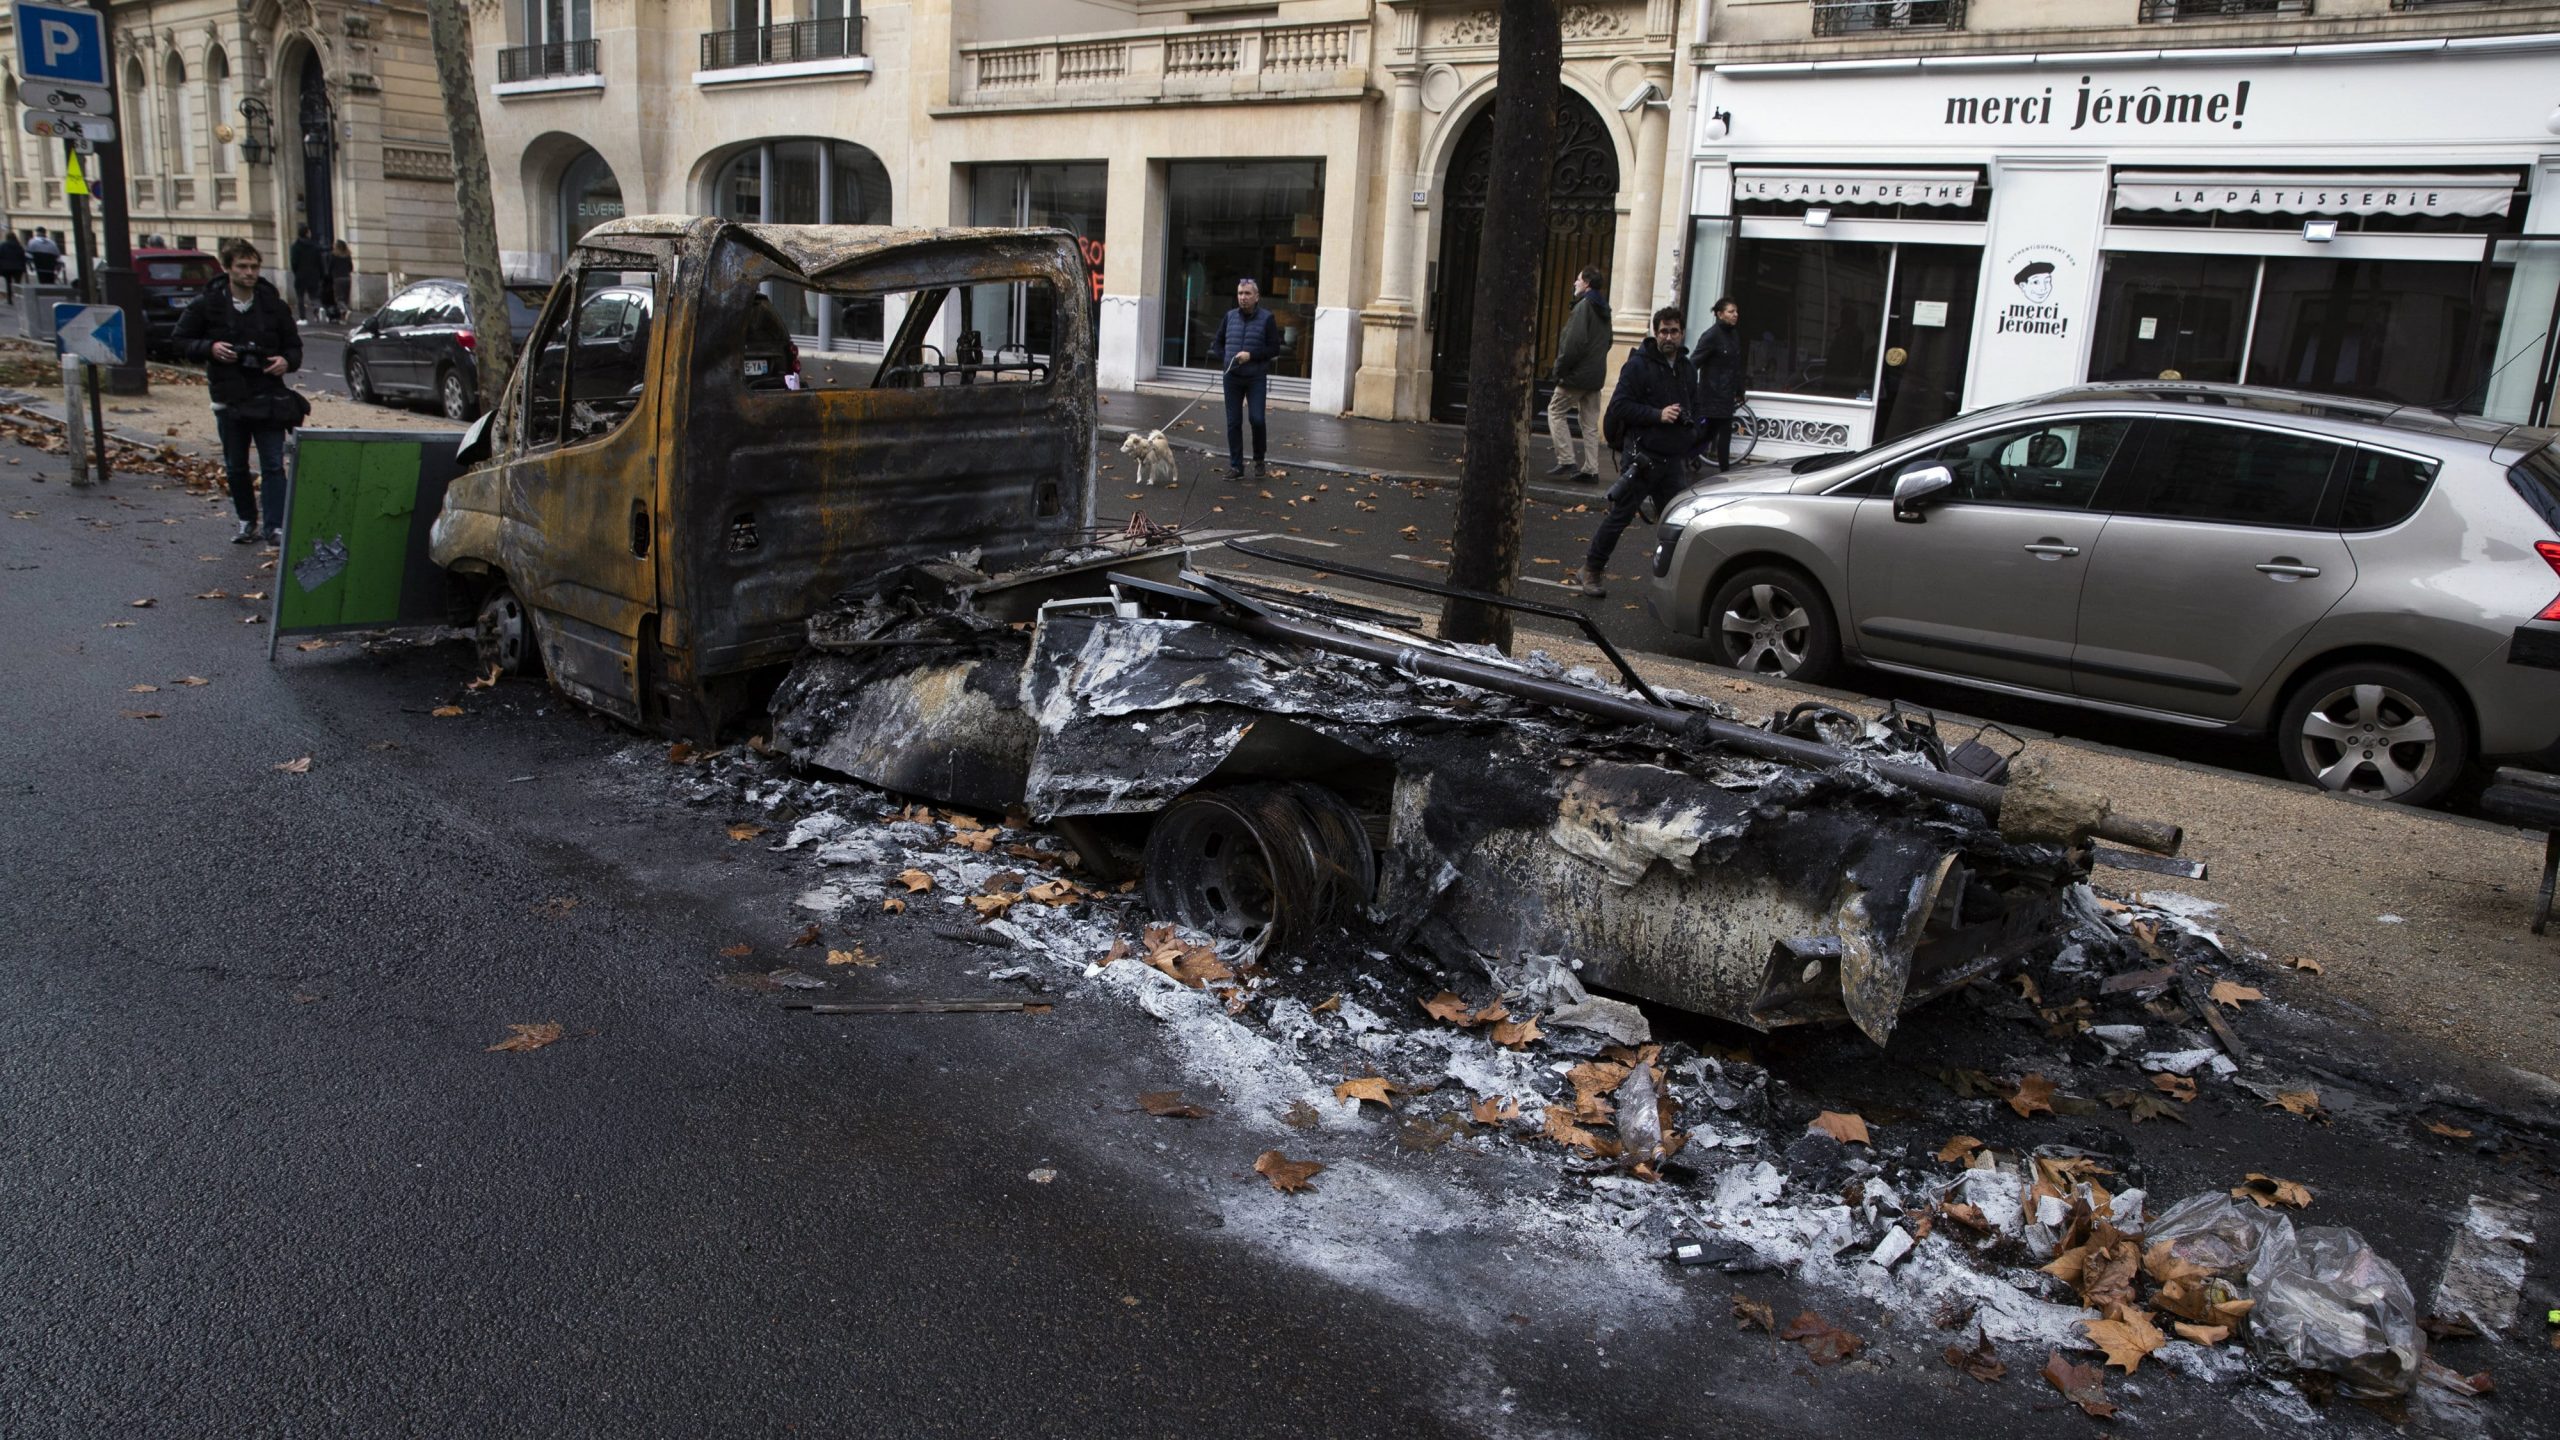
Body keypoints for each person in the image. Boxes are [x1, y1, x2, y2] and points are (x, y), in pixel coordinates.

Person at [172, 239, 304, 545]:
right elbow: (179, 341)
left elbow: (294, 347)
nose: (249, 273)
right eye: (242, 267)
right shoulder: (207, 304)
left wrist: (285, 361)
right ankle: (247, 521)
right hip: (228, 397)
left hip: (268, 395)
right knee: (236, 465)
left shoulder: (273, 305)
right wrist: (211, 347)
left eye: (254, 266)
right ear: (227, 267)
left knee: (273, 464)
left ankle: (275, 526)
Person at [1568, 307, 1696, 599]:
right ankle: (1591, 568)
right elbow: (1619, 406)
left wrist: (1691, 432)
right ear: (1655, 332)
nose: (1668, 337)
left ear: (1682, 333)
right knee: (1620, 516)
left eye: (1674, 331)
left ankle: (1678, 582)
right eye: (1663, 331)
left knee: (1679, 523)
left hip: (1672, 459)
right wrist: (1657, 414)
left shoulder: (1687, 368)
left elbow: (1695, 407)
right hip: (1642, 457)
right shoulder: (1639, 365)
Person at [1215, 277, 1285, 478]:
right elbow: (1217, 344)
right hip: (1232, 378)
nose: (1243, 297)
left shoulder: (1267, 318)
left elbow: (1274, 348)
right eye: (1240, 293)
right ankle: (1236, 466)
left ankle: (1259, 459)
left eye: (1247, 294)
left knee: (1257, 419)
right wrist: (1226, 360)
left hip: (1256, 378)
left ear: (1256, 297)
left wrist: (1251, 356)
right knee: (1233, 422)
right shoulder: (1229, 317)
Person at [1546, 265, 1609, 484]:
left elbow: (1572, 343)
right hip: (1595, 375)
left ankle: (1566, 459)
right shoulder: (1604, 308)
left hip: (1577, 375)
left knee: (1555, 411)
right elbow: (1607, 341)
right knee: (1590, 424)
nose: (1575, 283)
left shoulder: (1584, 307)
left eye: (1578, 279)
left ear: (1587, 284)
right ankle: (1591, 469)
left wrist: (1560, 370)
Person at [1690, 296, 1745, 472]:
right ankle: (1724, 471)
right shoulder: (1711, 336)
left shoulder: (1734, 335)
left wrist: (1739, 390)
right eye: (1731, 311)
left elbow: (1735, 365)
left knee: (1711, 434)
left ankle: (1686, 455)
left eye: (1736, 311)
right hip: (1711, 394)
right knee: (1716, 434)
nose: (1735, 315)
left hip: (1726, 394)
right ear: (1720, 314)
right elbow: (1694, 362)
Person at [289, 224, 325, 323]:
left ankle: (302, 318)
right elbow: (320, 262)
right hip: (313, 274)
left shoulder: (295, 246)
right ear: (307, 233)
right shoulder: (314, 246)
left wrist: (296, 272)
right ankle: (318, 309)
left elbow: (294, 262)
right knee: (314, 296)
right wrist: (321, 274)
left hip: (301, 275)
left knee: (300, 297)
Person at [326, 240, 353, 324]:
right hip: (347, 278)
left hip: (338, 278)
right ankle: (343, 319)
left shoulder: (333, 255)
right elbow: (351, 267)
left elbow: (330, 267)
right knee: (345, 298)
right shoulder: (347, 255)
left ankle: (345, 310)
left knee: (339, 299)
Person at [0, 231, 23, 302]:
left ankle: (9, 299)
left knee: (8, 283)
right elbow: (22, 257)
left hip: (6, 267)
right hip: (18, 268)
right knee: (17, 283)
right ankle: (18, 298)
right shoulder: (19, 246)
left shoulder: (3, 245)